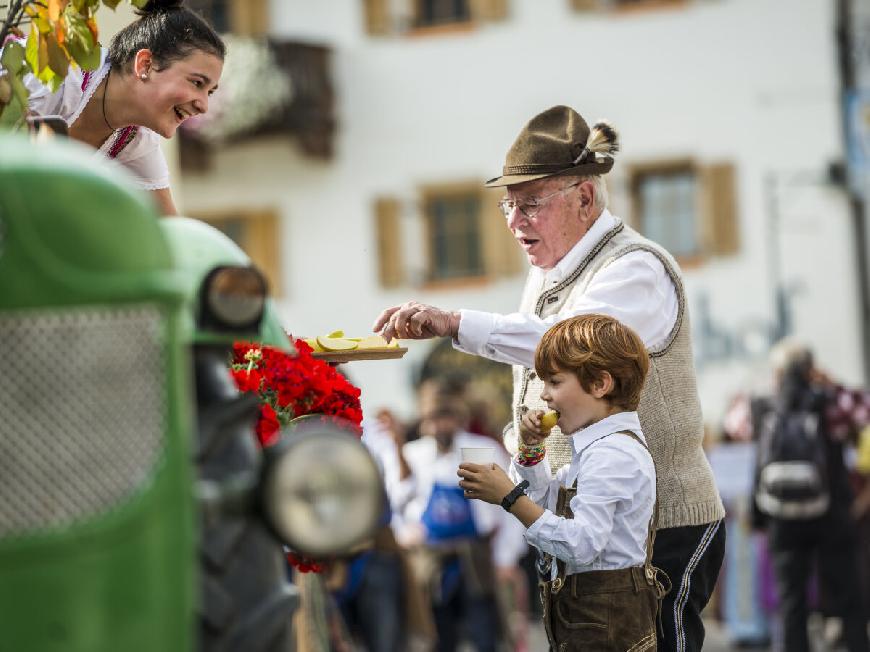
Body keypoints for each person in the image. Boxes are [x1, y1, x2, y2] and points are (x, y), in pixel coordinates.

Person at [373, 105, 725, 650]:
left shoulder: (636, 266)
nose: (515, 222)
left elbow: (565, 343)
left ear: (585, 198)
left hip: (662, 526)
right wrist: (527, 450)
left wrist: (453, 323)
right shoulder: (548, 274)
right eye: (507, 205)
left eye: (530, 204)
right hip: (592, 530)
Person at [458, 314, 667, 651]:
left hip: (607, 629)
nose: (545, 397)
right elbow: (547, 507)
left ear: (600, 384)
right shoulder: (594, 448)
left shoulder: (612, 454)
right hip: (587, 624)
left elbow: (582, 545)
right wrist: (530, 450)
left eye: (554, 382)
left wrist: (510, 498)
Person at [6, 0, 224, 215]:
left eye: (210, 92)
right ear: (145, 64)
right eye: (197, 83)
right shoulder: (54, 75)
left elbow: (170, 231)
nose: (203, 106)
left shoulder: (135, 139)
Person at [734, 338, 869, 652]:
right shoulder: (829, 401)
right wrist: (831, 383)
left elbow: (736, 425)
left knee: (791, 599)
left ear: (777, 372)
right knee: (847, 591)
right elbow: (864, 410)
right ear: (811, 370)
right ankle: (857, 644)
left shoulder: (763, 404)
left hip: (781, 512)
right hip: (831, 510)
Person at [389, 386, 527, 652]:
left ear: (459, 419)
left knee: (484, 633)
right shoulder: (413, 454)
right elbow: (394, 503)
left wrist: (506, 558)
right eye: (433, 419)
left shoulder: (481, 450)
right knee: (438, 636)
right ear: (424, 423)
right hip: (431, 560)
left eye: (446, 418)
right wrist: (403, 534)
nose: (440, 426)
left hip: (475, 556)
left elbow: (510, 507)